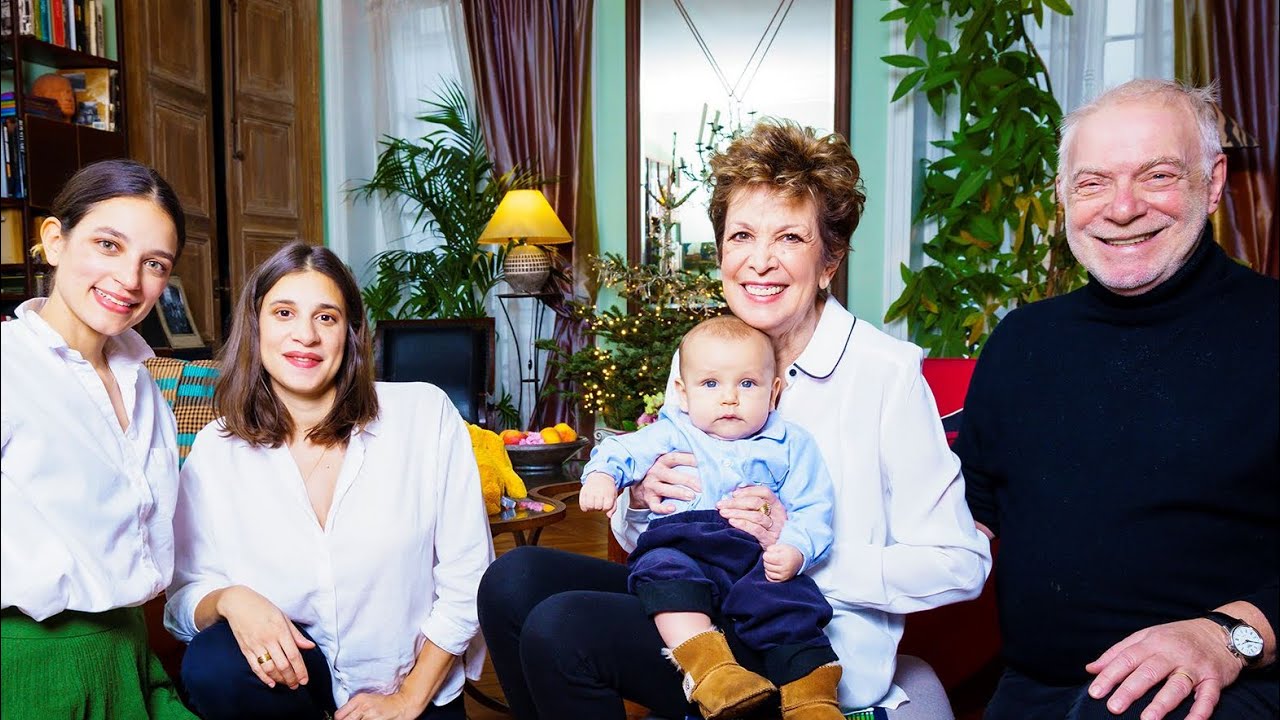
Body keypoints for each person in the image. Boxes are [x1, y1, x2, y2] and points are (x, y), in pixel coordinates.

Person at [478, 120, 993, 720]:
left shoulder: (885, 374)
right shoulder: (709, 354)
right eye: (742, 235)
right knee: (512, 582)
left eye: (791, 238)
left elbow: (961, 565)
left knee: (562, 626)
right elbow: (644, 533)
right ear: (720, 250)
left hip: (800, 633)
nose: (760, 261)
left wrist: (796, 547)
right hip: (699, 599)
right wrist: (641, 496)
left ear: (830, 260)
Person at [957, 79, 1278, 720]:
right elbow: (967, 518)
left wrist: (1227, 636)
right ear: (1063, 198)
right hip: (1032, 689)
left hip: (1220, 686)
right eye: (1093, 182)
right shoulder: (1023, 340)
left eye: (1156, 176)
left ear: (1213, 182)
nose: (1122, 208)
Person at [164, 242, 494, 720]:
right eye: (283, 312)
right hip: (292, 683)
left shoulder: (423, 415)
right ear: (256, 330)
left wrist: (408, 699)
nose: (305, 335)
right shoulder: (218, 449)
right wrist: (229, 599)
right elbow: (182, 599)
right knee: (213, 663)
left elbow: (469, 576)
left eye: (326, 317)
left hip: (407, 685)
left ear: (351, 333)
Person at [0, 159, 195, 719]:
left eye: (153, 263)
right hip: (28, 669)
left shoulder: (146, 388)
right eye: (109, 245)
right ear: (55, 241)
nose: (130, 280)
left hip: (130, 656)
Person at [578, 315, 841, 720]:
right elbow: (623, 451)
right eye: (711, 384)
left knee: (790, 600)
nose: (730, 398)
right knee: (663, 574)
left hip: (752, 555)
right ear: (683, 393)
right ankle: (713, 674)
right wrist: (601, 476)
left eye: (747, 384)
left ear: (773, 392)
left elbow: (813, 507)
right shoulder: (674, 431)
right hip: (682, 543)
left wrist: (796, 548)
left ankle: (813, 700)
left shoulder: (790, 443)